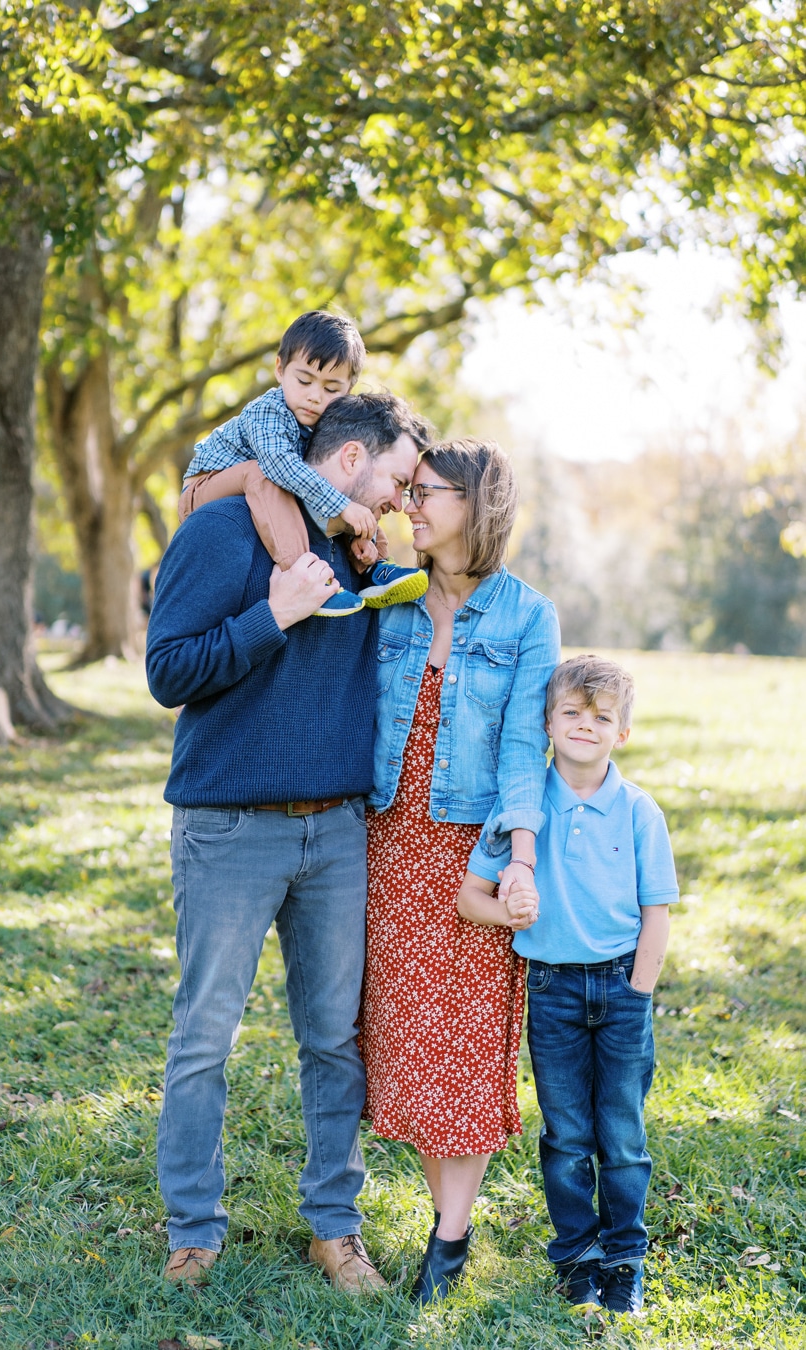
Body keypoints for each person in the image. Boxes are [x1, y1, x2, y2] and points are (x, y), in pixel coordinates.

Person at [146, 392, 424, 1295]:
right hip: (229, 829)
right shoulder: (221, 532)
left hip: (337, 834)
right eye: (395, 479)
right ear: (349, 460)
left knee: (334, 1041)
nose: (399, 500)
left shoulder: (364, 553)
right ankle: (193, 1231)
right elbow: (168, 671)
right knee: (203, 1040)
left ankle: (334, 1230)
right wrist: (274, 614)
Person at [359, 437, 561, 1305]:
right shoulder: (389, 597)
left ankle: (450, 1236)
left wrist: (519, 862)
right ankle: (419, 1214)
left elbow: (526, 747)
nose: (411, 504)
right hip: (387, 837)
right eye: (410, 490)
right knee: (404, 1040)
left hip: (470, 854)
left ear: (475, 507)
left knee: (466, 1045)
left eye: (427, 492)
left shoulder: (526, 617)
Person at [457, 654, 679, 1316]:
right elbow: (473, 897)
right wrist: (508, 911)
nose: (586, 725)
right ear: (548, 723)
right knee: (567, 1134)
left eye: (602, 716)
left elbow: (656, 916)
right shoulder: (523, 809)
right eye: (572, 713)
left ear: (623, 732)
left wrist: (638, 996)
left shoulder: (639, 811)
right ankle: (577, 1259)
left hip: (620, 992)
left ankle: (625, 1261)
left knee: (622, 1132)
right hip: (550, 991)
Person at [178, 309, 427, 615]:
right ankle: (305, 577)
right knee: (265, 475)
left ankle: (375, 567)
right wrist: (342, 506)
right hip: (203, 490)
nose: (314, 396)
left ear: (348, 389)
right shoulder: (268, 411)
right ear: (280, 369)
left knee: (353, 492)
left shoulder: (319, 424)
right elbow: (280, 465)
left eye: (331, 389)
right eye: (304, 380)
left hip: (259, 489)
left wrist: (355, 515)